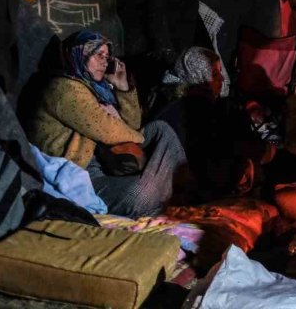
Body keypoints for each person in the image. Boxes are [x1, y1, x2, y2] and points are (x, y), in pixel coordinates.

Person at [23, 30, 187, 217]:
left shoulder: (96, 88)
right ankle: (166, 190)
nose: (105, 61)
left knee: (160, 129)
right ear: (76, 54)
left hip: (105, 160)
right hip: (83, 172)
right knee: (139, 196)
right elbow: (110, 131)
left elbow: (131, 125)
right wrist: (125, 129)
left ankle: (176, 188)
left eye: (107, 56)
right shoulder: (63, 88)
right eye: (98, 55)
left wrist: (122, 87)